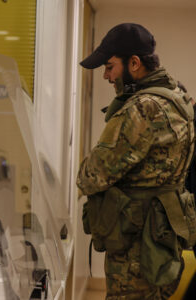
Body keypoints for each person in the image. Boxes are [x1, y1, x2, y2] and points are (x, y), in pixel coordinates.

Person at [77, 23, 196, 299]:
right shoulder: (179, 98)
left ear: (134, 63)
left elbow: (91, 176)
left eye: (110, 67)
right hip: (163, 239)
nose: (106, 76)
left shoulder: (143, 108)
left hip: (135, 249)